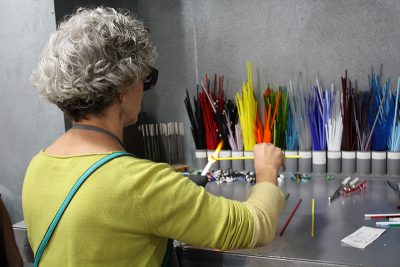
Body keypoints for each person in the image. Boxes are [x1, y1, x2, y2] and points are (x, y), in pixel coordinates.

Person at [22, 6, 285, 267]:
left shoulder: (37, 167)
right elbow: (253, 225)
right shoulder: (140, 184)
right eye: (145, 78)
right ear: (123, 88)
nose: (144, 88)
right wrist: (266, 173)